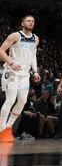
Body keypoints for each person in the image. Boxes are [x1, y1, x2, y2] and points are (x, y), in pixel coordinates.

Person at [0, 15, 41, 143]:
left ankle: (8, 127)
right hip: (11, 73)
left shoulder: (36, 38)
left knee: (22, 101)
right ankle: (1, 130)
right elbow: (1, 50)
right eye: (28, 20)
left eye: (33, 21)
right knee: (10, 100)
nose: (31, 22)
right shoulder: (15, 36)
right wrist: (11, 62)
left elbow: (33, 55)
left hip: (24, 75)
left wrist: (35, 71)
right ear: (22, 23)